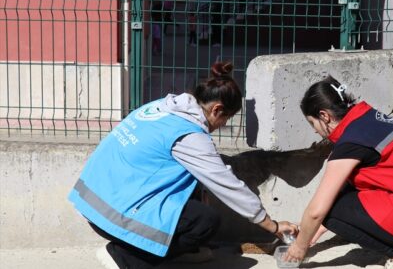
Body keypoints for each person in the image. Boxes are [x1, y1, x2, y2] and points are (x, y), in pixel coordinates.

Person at [68, 62, 298, 268]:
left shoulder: (165, 107)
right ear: (216, 109)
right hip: (113, 216)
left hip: (94, 200)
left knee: (192, 187)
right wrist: (272, 225)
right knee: (205, 221)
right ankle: (124, 257)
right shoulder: (190, 135)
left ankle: (182, 250)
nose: (221, 126)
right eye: (225, 120)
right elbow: (226, 184)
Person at [283, 77, 393, 269]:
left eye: (312, 124)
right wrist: (319, 229)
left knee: (330, 208)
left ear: (324, 116)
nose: (315, 132)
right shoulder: (369, 120)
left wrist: (299, 246)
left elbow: (316, 212)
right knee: (340, 197)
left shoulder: (351, 141)